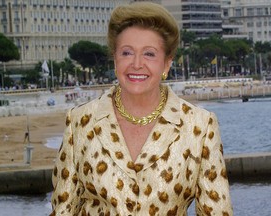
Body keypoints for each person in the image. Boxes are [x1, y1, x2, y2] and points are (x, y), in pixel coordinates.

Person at [50, 2, 233, 216]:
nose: (137, 64)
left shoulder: (200, 125)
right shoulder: (80, 121)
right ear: (115, 60)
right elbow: (64, 209)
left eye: (149, 54)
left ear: (166, 64)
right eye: (127, 53)